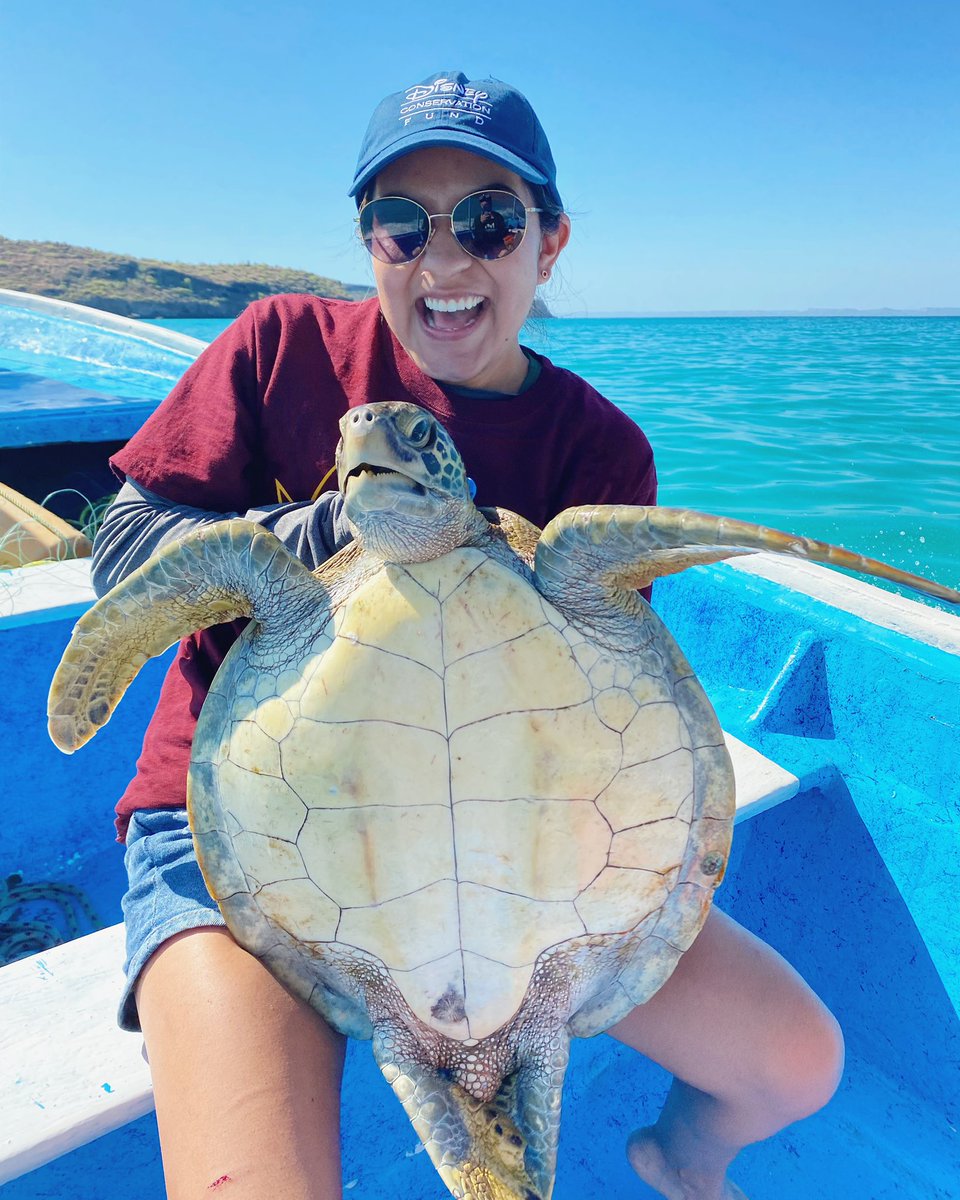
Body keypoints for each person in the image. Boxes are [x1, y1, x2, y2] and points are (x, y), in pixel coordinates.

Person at [91, 70, 843, 1200]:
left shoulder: (599, 450)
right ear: (370, 241)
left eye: (489, 221)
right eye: (403, 224)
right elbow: (123, 547)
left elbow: (599, 718)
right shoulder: (281, 346)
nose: (444, 260)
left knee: (796, 1063)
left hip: (519, 852)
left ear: (550, 241)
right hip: (243, 846)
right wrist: (332, 525)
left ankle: (684, 1160)